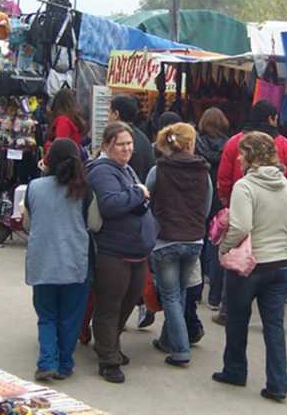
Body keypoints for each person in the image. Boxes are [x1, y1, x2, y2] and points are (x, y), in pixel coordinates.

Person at [212, 132, 287, 403]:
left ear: (251, 155)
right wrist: (282, 243)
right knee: (274, 327)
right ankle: (278, 384)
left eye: (242, 153)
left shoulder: (245, 186)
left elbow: (241, 226)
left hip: (249, 266)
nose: (239, 157)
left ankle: (235, 370)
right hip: (280, 265)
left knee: (237, 320)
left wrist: (224, 249)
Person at [214, 100, 287, 325]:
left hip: (240, 205)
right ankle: (271, 313)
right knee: (270, 260)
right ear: (272, 118)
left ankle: (227, 308)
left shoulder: (235, 142)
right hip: (275, 213)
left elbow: (223, 177)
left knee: (236, 257)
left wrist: (227, 201)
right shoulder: (285, 145)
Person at [85, 121, 158, 384]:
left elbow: (137, 199)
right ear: (107, 145)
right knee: (110, 305)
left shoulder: (124, 169)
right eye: (121, 144)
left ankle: (109, 345)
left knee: (127, 302)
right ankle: (108, 359)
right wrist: (138, 194)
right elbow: (110, 204)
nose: (127, 148)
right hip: (114, 252)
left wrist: (138, 196)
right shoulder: (103, 171)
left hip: (135, 252)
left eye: (129, 143)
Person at [25, 138, 92, 381]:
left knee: (47, 315)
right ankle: (65, 364)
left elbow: (26, 223)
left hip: (42, 261)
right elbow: (95, 224)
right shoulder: (85, 189)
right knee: (70, 317)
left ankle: (47, 361)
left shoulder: (34, 187)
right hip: (75, 261)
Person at [145, 123, 211, 367]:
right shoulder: (203, 171)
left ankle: (180, 349)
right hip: (194, 239)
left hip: (165, 240)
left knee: (171, 295)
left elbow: (145, 200)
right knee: (179, 293)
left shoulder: (158, 170)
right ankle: (166, 340)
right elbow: (206, 207)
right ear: (190, 143)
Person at [109, 96, 157, 329]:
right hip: (143, 210)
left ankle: (116, 319)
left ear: (116, 114)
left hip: (122, 211)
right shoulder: (145, 140)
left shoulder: (115, 141)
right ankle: (141, 304)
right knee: (138, 267)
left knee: (120, 271)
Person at [195, 108, 229, 313]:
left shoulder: (195, 144)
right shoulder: (229, 146)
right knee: (217, 243)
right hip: (219, 198)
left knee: (197, 243)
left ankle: (195, 291)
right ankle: (214, 296)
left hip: (199, 197)